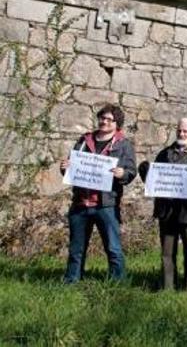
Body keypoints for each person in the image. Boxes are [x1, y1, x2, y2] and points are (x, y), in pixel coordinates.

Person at [60, 103, 136, 283]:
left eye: (110, 119)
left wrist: (122, 174)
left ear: (117, 124)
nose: (105, 122)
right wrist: (65, 168)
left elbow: (131, 171)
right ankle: (72, 281)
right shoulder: (84, 140)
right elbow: (72, 168)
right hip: (80, 203)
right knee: (76, 249)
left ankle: (118, 283)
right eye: (102, 118)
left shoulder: (124, 145)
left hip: (106, 204)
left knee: (113, 248)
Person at [139, 117, 187, 291]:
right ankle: (167, 287)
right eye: (179, 130)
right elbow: (153, 181)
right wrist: (145, 171)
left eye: (185, 131)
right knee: (167, 252)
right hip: (167, 210)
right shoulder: (164, 154)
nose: (181, 134)